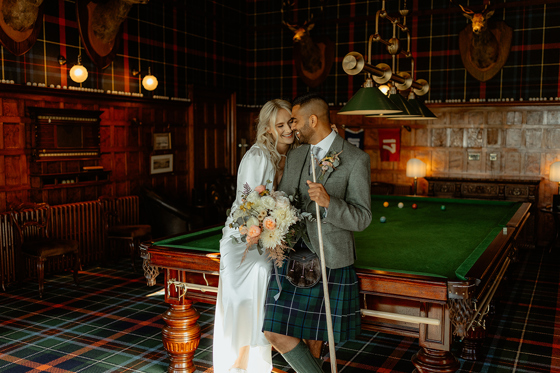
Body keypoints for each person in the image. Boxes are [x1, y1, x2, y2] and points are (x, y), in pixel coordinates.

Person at [262, 93, 372, 372]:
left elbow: (363, 218)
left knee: (316, 341)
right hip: (291, 259)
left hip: (330, 259)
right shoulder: (296, 154)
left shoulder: (355, 159)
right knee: (273, 331)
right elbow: (284, 200)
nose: (292, 127)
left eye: (296, 121)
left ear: (313, 120)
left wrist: (329, 203)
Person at [213, 99, 297, 373]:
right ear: (268, 128)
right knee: (260, 277)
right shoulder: (258, 155)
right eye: (280, 125)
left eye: (289, 123)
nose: (287, 130)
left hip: (267, 236)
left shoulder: (291, 154)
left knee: (269, 277)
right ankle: (238, 364)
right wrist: (264, 226)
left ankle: (254, 362)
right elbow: (247, 203)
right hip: (243, 239)